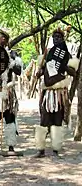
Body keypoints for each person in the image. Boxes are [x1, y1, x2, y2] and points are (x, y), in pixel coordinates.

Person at [34, 28, 79, 158]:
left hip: (58, 93)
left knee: (57, 120)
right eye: (54, 37)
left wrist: (64, 67)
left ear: (63, 38)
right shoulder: (48, 54)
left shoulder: (67, 55)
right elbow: (44, 70)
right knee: (44, 120)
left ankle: (56, 149)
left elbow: (73, 72)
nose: (56, 39)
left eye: (59, 37)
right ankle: (41, 150)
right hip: (48, 93)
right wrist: (39, 73)